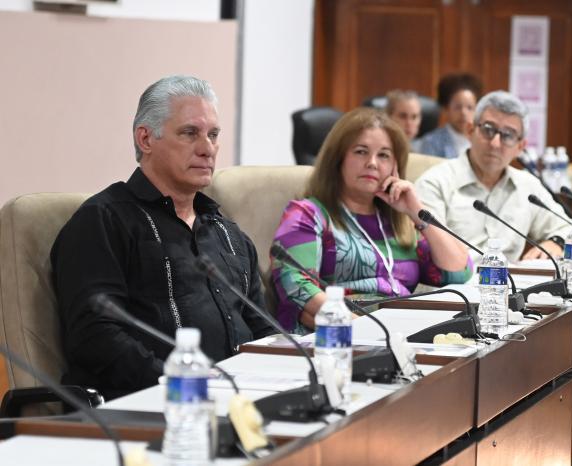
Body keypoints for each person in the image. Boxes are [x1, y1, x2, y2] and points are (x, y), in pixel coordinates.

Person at [51, 75, 275, 399]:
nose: (207, 148)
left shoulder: (228, 233)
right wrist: (187, 383)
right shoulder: (104, 221)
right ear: (145, 139)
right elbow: (95, 337)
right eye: (190, 133)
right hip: (151, 405)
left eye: (213, 134)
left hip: (240, 400)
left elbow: (263, 328)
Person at [270, 107, 473, 333]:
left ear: (395, 167)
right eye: (361, 151)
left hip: (401, 333)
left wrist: (416, 210)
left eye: (384, 155)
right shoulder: (309, 214)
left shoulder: (401, 224)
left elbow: (459, 271)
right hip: (339, 337)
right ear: (338, 159)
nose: (373, 163)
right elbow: (296, 283)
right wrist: (364, 327)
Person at [415, 91, 571, 262]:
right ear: (470, 130)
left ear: (520, 146)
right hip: (453, 285)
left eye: (508, 135)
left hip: (509, 286)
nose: (495, 143)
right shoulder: (435, 183)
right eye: (488, 130)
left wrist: (556, 242)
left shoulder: (528, 187)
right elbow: (430, 250)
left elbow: (569, 228)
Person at [414, 73, 482, 159]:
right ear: (446, 109)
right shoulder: (432, 142)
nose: (463, 113)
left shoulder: (482, 139)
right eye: (457, 107)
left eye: (469, 107)